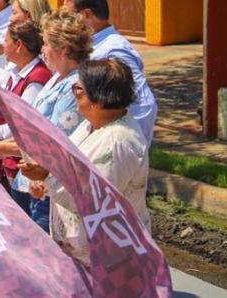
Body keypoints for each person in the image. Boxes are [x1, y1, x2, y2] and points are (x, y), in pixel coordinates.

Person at [20, 58, 151, 267]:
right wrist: (44, 183)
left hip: (109, 259)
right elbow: (67, 163)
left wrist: (46, 175)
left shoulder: (117, 142)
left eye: (78, 90)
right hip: (80, 252)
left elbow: (94, 199)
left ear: (97, 100)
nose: (74, 95)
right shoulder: (90, 126)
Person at [0, 8, 92, 231]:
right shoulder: (57, 78)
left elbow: (53, 142)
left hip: (52, 189)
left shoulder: (73, 87)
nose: (42, 49)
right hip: (34, 184)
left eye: (46, 44)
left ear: (64, 49)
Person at [62, 0, 157, 146]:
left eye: (69, 15)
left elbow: (144, 104)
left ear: (86, 14)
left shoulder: (114, 50)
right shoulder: (94, 45)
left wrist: (130, 144)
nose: (65, 21)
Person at [0, 21, 52, 202]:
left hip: (24, 168)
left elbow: (23, 124)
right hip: (10, 163)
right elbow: (2, 111)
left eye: (6, 41)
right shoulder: (16, 73)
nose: (2, 45)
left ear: (19, 45)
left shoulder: (36, 78)